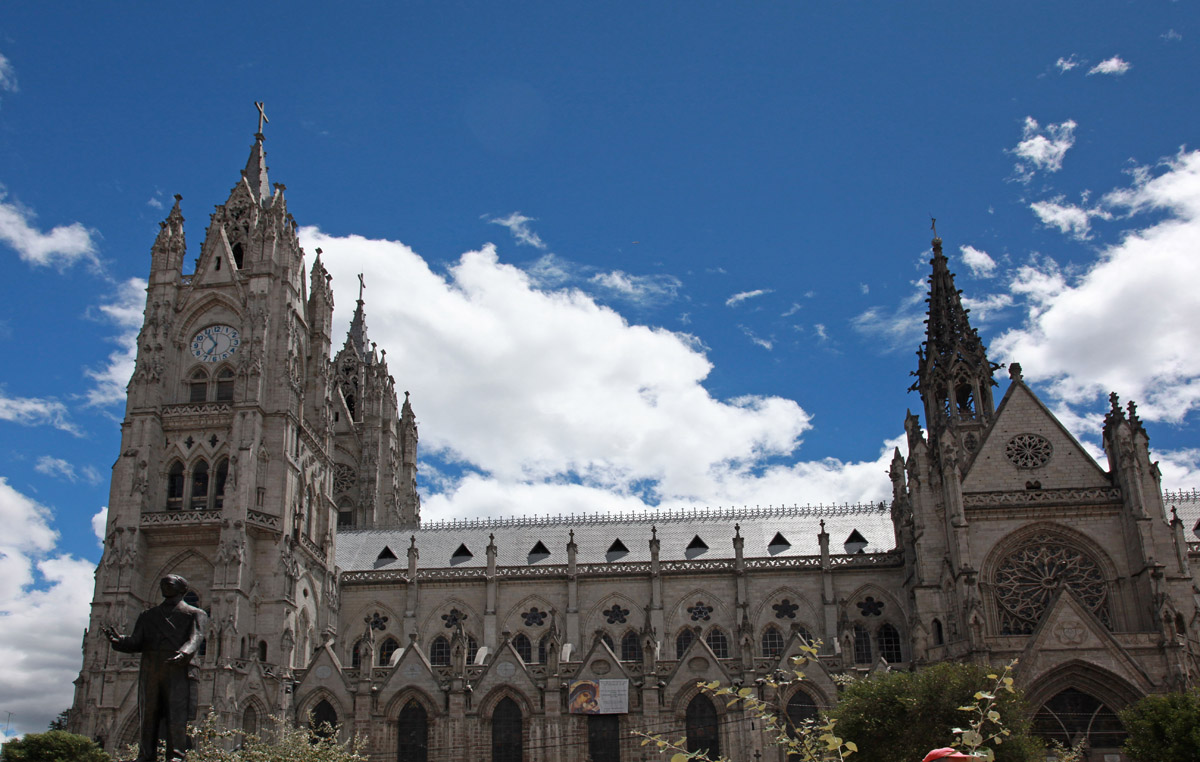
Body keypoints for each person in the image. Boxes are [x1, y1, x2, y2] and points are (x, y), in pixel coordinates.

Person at [103, 574, 208, 762]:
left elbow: (196, 638)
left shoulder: (195, 613)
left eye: (169, 584)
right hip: (151, 668)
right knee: (148, 714)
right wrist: (119, 641)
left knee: (177, 715)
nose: (164, 587)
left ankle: (176, 756)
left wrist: (184, 653)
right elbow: (137, 642)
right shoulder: (148, 615)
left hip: (178, 667)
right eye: (162, 584)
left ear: (181, 589)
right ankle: (145, 755)